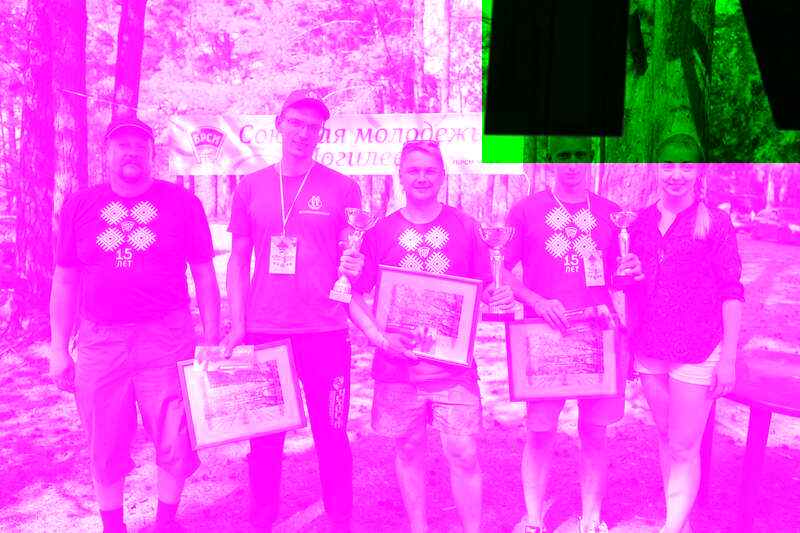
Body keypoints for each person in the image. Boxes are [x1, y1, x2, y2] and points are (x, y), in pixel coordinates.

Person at [49, 117, 221, 533]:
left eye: (139, 146)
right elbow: (65, 279)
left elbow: (203, 273)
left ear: (151, 154)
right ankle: (113, 527)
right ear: (107, 153)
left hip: (167, 338)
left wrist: (212, 337)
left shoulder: (182, 203)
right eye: (121, 145)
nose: (131, 152)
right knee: (104, 440)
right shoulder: (80, 205)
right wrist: (58, 348)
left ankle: (166, 523)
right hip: (99, 341)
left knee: (174, 434)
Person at [348, 140, 515, 533]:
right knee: (408, 449)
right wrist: (379, 338)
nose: (421, 177)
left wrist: (499, 295)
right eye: (413, 170)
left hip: (452, 368)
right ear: (400, 175)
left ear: (442, 176)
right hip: (398, 366)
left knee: (463, 452)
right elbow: (354, 293)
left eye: (430, 171)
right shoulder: (379, 231)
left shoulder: (466, 226)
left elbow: (486, 285)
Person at [221, 89, 365, 532]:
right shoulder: (251, 186)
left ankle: (339, 517)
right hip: (267, 329)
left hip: (325, 330)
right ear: (279, 125)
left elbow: (353, 258)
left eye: (313, 127)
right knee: (265, 438)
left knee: (331, 431)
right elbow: (238, 259)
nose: (303, 133)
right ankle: (262, 518)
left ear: (321, 134)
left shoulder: (343, 187)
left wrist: (355, 265)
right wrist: (237, 324)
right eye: (296, 123)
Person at [502, 136, 641, 533]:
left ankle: (591, 518)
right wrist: (536, 300)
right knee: (540, 432)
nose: (573, 164)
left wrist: (629, 271)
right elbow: (501, 269)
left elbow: (619, 279)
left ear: (590, 158)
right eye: (564, 155)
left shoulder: (611, 214)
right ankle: (533, 518)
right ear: (551, 159)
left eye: (580, 155)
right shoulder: (526, 211)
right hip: (544, 336)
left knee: (594, 433)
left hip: (598, 337)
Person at [623, 133, 744, 533]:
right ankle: (681, 521)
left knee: (683, 445)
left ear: (699, 172)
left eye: (686, 166)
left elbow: (732, 292)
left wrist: (728, 360)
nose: (676, 174)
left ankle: (671, 528)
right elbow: (632, 284)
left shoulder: (715, 224)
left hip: (698, 350)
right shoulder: (640, 223)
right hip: (650, 348)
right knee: (666, 436)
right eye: (669, 165)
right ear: (657, 169)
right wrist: (629, 276)